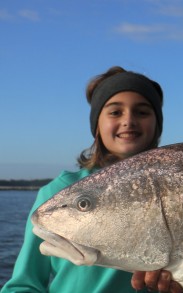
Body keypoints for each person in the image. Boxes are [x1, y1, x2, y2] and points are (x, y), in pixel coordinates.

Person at [1, 66, 173, 293]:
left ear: (157, 124)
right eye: (115, 112)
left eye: (142, 112)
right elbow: (24, 283)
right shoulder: (58, 193)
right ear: (97, 126)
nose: (129, 120)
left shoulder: (175, 189)